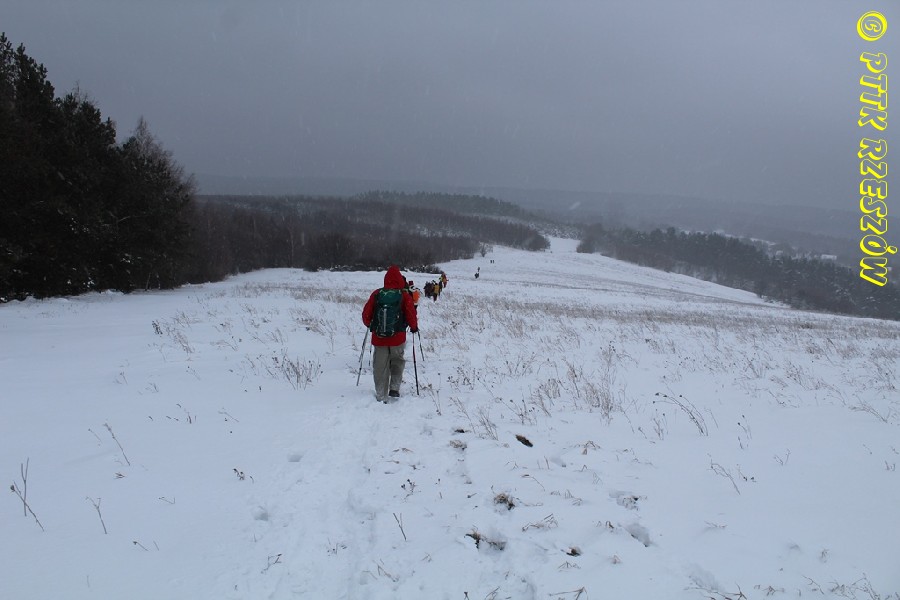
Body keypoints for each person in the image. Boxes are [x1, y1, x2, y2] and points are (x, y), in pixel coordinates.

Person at [361, 265, 418, 403]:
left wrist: (370, 325)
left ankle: (381, 394)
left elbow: (366, 314)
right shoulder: (403, 295)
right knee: (397, 362)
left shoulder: (377, 294)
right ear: (399, 280)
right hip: (397, 337)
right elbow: (411, 313)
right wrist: (414, 327)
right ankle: (394, 388)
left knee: (380, 366)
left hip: (379, 338)